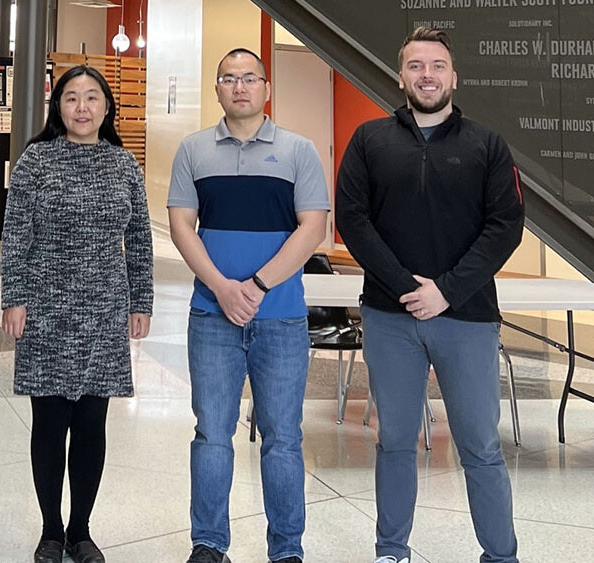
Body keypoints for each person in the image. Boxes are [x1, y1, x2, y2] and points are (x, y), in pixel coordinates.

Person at [335, 27, 524, 563]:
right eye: (416, 66)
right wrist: (403, 287)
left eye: (437, 65)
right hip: (389, 318)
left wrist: (446, 290)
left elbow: (505, 225)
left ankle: (501, 555)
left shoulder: (487, 145)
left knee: (480, 446)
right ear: (401, 76)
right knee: (394, 439)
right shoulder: (370, 140)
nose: (427, 75)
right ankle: (391, 550)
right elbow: (354, 219)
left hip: (467, 317)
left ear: (453, 77)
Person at [168, 48, 330, 563]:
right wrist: (221, 286)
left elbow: (313, 228)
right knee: (212, 433)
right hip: (211, 317)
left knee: (283, 437)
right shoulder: (193, 150)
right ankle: (209, 544)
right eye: (229, 79)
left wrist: (256, 287)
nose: (240, 87)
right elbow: (180, 226)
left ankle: (287, 549)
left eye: (250, 78)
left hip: (281, 319)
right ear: (217, 89)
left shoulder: (299, 150)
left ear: (266, 88)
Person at [0, 65, 154, 563]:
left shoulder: (124, 164)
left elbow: (141, 243)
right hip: (45, 308)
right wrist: (14, 298)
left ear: (107, 107)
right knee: (48, 423)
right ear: (57, 106)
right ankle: (49, 531)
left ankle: (80, 531)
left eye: (92, 98)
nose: (82, 107)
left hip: (105, 307)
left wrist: (141, 301)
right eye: (71, 98)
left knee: (92, 423)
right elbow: (17, 234)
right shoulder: (35, 161)